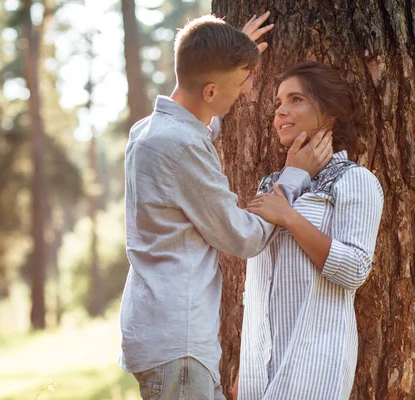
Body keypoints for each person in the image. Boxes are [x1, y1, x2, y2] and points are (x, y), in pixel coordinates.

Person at [119, 13, 333, 399]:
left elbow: (191, 114)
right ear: (211, 91)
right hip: (178, 342)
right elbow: (243, 237)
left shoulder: (148, 131)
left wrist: (227, 51)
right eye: (241, 81)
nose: (249, 90)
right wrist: (293, 176)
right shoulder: (180, 147)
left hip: (159, 331)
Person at [235, 61, 384, 399]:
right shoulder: (272, 184)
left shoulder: (355, 180)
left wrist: (290, 218)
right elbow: (257, 280)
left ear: (329, 114)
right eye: (278, 103)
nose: (280, 112)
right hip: (260, 370)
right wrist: (247, 367)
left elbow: (355, 269)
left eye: (296, 100)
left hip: (315, 365)